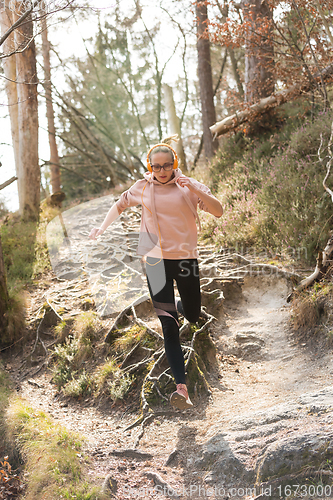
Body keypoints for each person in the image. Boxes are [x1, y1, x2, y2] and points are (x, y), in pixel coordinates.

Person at [89, 136, 223, 410]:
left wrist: (196, 187)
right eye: (156, 166)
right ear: (149, 167)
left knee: (194, 314)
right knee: (169, 327)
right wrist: (101, 228)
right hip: (155, 262)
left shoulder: (188, 187)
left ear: (175, 164)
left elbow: (218, 211)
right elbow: (119, 205)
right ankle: (181, 389)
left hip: (185, 259)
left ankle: (172, 305)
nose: (161, 171)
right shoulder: (142, 188)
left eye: (167, 165)